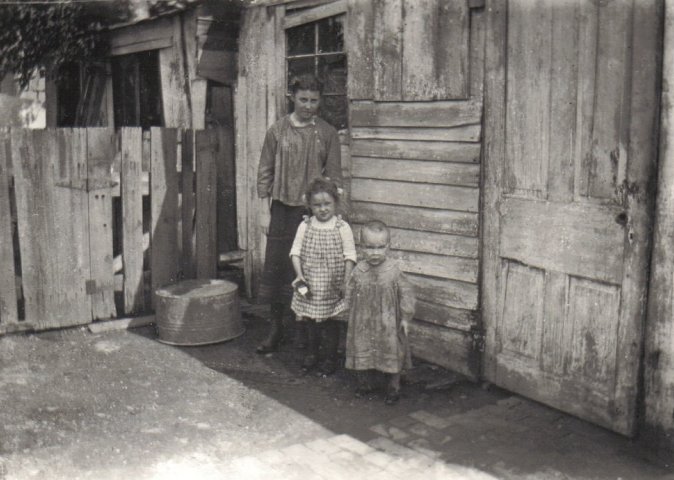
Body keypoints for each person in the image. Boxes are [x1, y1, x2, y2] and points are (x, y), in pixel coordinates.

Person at [255, 74, 343, 354]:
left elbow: (334, 178)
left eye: (314, 101)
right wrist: (262, 211)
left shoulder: (327, 133)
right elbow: (265, 172)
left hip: (313, 214)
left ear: (320, 102)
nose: (308, 105)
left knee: (312, 271)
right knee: (280, 269)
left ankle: (307, 335)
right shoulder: (277, 131)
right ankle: (277, 327)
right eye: (303, 99)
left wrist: (327, 214)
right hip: (281, 210)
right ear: (292, 97)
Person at [289, 178, 356, 374]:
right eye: (317, 205)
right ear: (309, 206)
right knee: (310, 321)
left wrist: (346, 281)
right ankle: (312, 354)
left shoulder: (342, 227)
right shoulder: (306, 226)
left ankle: (329, 358)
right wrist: (299, 275)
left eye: (327, 204)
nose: (323, 209)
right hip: (310, 283)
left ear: (335, 203)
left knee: (331, 322)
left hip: (332, 285)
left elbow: (350, 256)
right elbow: (295, 252)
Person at [344, 220, 415, 405]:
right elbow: (350, 291)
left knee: (391, 350)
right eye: (369, 247)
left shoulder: (393, 271)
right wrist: (347, 308)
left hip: (388, 323)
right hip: (363, 321)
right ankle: (365, 384)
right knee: (362, 347)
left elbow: (406, 293)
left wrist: (406, 317)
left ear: (388, 247)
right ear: (361, 247)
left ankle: (393, 387)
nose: (375, 252)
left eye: (380, 247)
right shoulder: (359, 271)